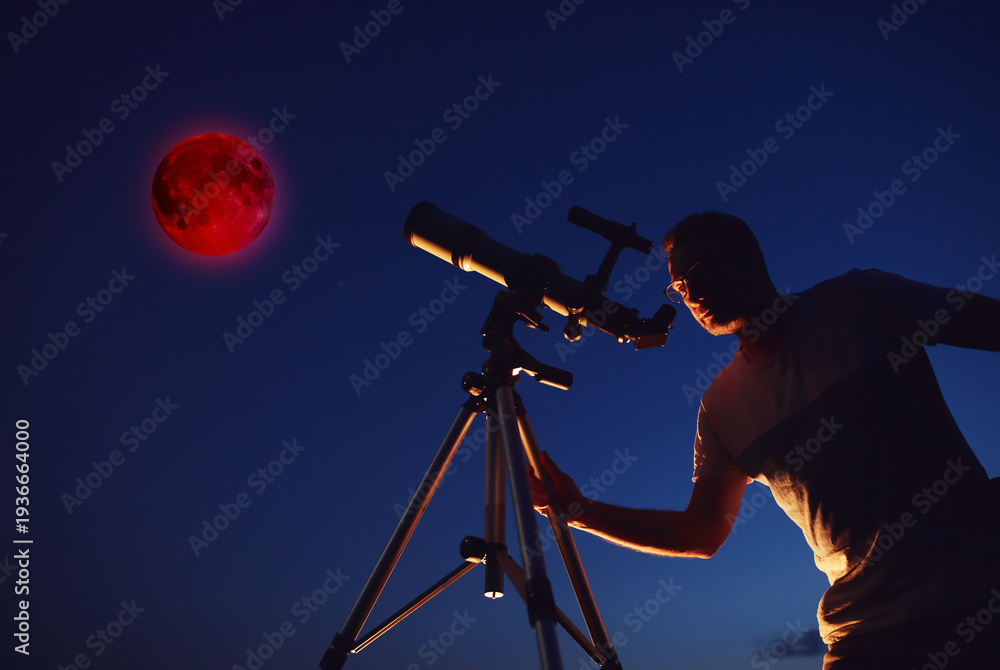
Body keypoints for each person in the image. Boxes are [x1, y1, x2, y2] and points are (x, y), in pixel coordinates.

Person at [529, 211, 1000, 669]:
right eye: (679, 287)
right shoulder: (721, 406)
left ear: (750, 260)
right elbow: (702, 532)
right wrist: (579, 511)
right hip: (862, 634)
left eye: (699, 272)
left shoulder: (859, 301)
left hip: (977, 603)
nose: (691, 294)